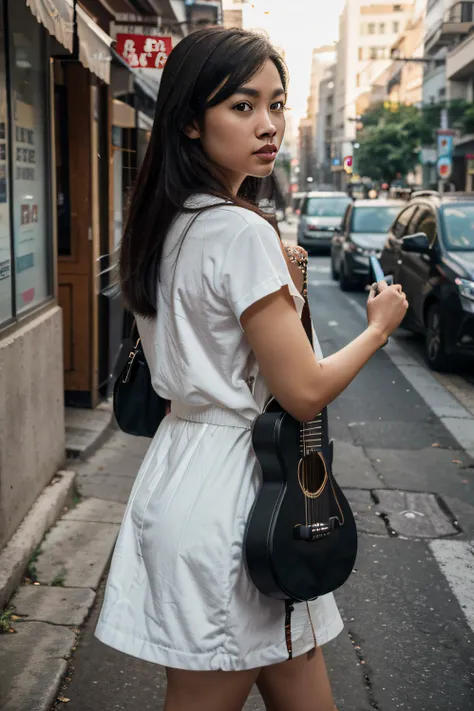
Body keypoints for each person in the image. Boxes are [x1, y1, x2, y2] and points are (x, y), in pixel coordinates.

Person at [95, 27, 408, 711]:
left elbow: (233, 359)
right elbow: (300, 391)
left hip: (191, 472)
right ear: (188, 120)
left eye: (276, 104)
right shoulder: (239, 232)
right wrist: (379, 328)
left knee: (298, 675)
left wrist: (285, 281)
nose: (268, 125)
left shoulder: (167, 223)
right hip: (244, 498)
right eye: (242, 106)